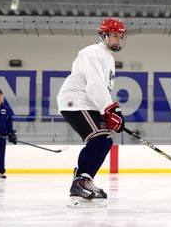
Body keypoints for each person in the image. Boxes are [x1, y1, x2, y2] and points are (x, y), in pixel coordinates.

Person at [57, 18, 126, 207]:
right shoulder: (92, 52)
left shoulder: (107, 57)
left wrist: (107, 111)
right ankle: (80, 182)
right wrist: (111, 109)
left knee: (104, 140)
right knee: (100, 139)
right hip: (76, 101)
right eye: (114, 35)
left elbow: (101, 88)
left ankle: (83, 179)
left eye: (120, 36)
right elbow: (94, 84)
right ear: (103, 36)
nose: (118, 39)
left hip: (88, 103)